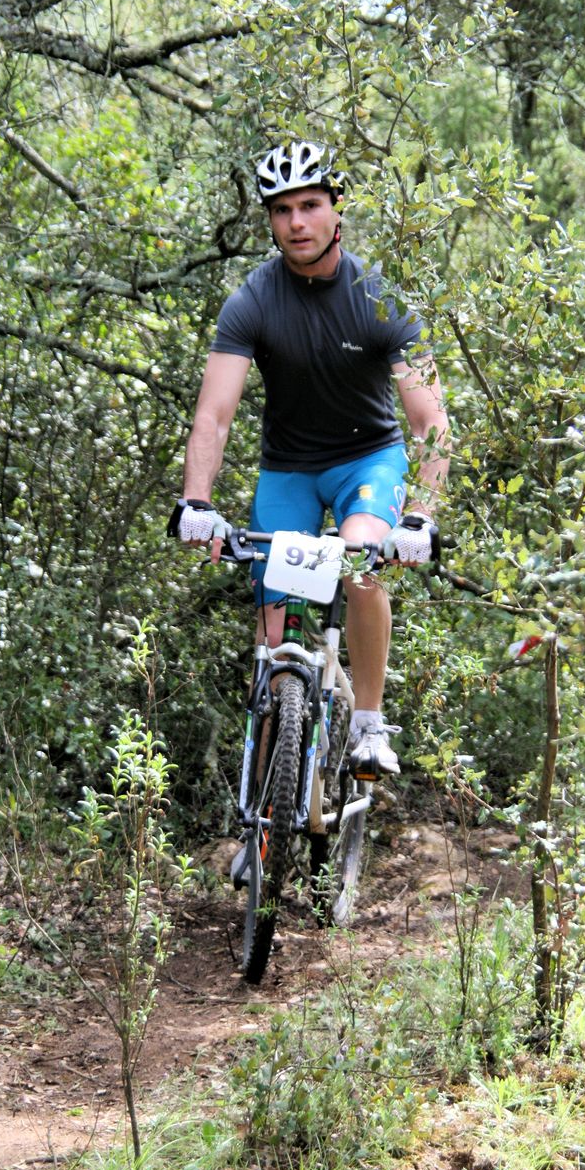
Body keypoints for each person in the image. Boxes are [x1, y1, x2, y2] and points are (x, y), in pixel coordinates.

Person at [169, 141, 449, 778]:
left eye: (310, 205)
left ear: (337, 209)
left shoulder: (379, 296)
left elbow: (429, 421)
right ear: (270, 220)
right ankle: (267, 803)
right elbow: (214, 415)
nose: (297, 222)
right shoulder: (254, 300)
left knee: (359, 564)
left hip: (367, 462)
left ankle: (370, 724)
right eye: (282, 209)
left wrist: (420, 517)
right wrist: (197, 502)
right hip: (288, 471)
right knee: (275, 643)